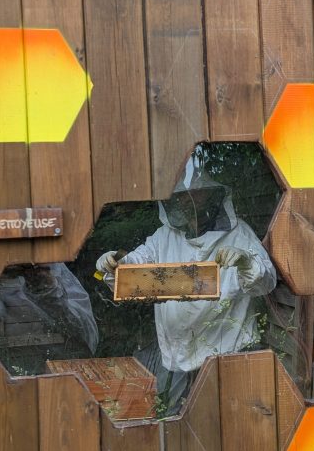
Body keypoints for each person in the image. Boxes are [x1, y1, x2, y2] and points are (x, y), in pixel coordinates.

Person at [96, 158, 277, 414]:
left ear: (211, 195)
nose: (186, 202)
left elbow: (266, 281)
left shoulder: (239, 235)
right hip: (176, 356)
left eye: (194, 195)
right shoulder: (164, 237)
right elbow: (134, 269)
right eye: (180, 197)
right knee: (174, 422)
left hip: (228, 357)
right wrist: (115, 265)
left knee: (225, 422)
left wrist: (247, 262)